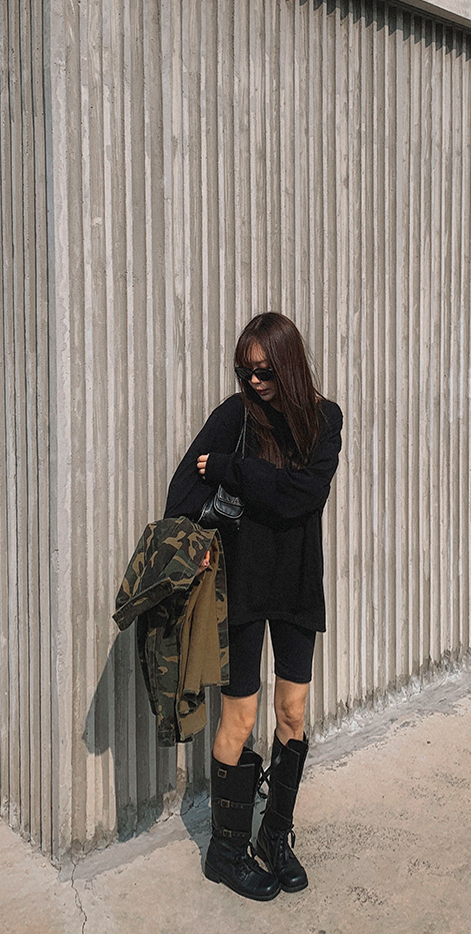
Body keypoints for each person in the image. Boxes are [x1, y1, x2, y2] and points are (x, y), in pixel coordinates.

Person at [165, 313, 342, 902]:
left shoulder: (325, 420)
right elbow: (180, 495)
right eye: (245, 371)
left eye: (264, 371)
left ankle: (274, 836)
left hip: (296, 586)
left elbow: (304, 497)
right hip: (239, 589)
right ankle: (226, 851)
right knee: (239, 720)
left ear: (288, 364)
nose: (254, 382)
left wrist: (233, 471)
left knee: (292, 713)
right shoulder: (233, 416)